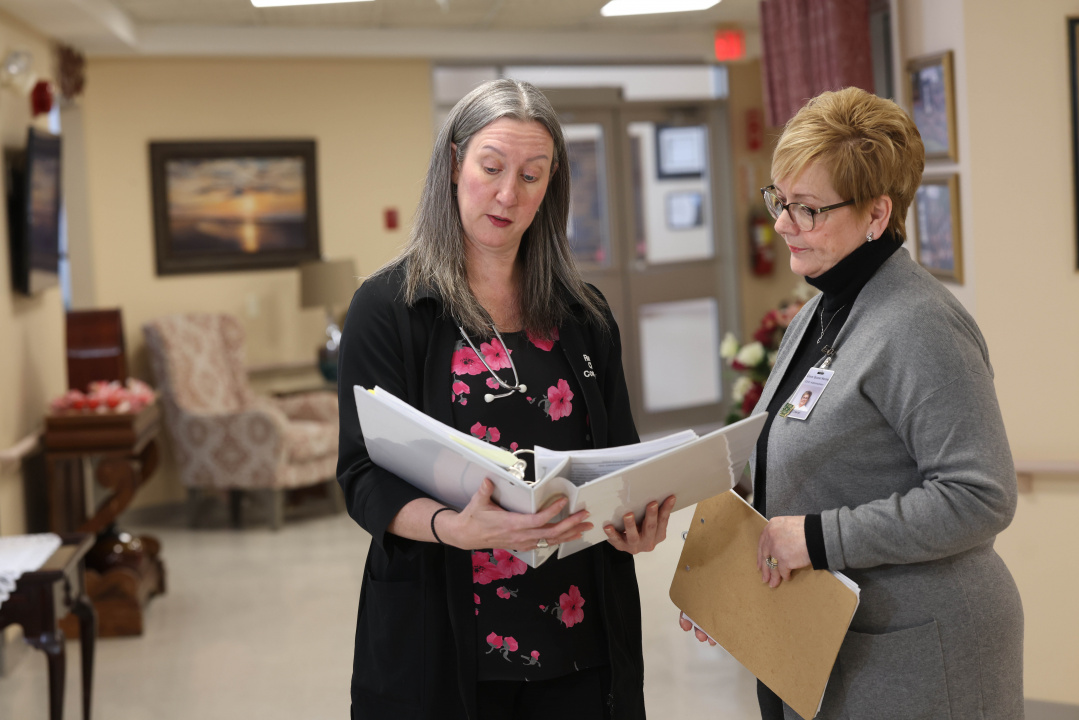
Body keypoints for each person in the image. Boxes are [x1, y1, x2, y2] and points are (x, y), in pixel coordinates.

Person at [680, 87, 1023, 719]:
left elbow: (982, 496)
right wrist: (728, 579)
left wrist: (815, 538)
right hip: (829, 635)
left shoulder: (920, 324)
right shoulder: (820, 310)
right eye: (780, 201)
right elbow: (794, 457)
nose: (783, 224)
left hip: (920, 651)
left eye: (808, 209)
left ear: (876, 214)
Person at [337, 78, 675, 720]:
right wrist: (451, 527)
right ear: (453, 162)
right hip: (444, 641)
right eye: (491, 167)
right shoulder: (388, 308)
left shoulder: (585, 313)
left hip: (581, 640)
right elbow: (361, 476)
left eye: (531, 175)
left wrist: (637, 520)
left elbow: (622, 459)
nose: (507, 194)